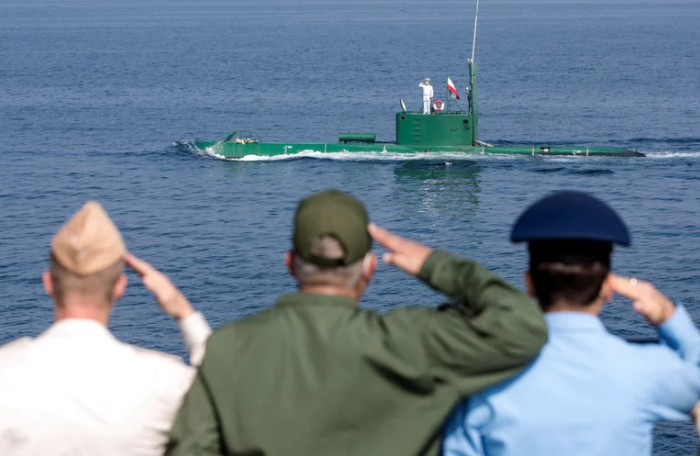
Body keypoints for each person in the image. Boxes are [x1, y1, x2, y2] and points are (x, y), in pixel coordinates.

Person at [166, 189, 547, 456]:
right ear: (369, 269)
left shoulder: (229, 349)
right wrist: (435, 264)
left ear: (289, 263)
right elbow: (522, 325)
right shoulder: (415, 343)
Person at [442, 191, 700, 456]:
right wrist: (668, 316)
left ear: (529, 284)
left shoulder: (483, 375)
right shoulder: (648, 369)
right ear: (607, 288)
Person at [0, 201, 212, 456]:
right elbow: (224, 397)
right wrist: (184, 312)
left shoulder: (7, 372)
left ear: (49, 283)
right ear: (120, 287)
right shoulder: (163, 380)